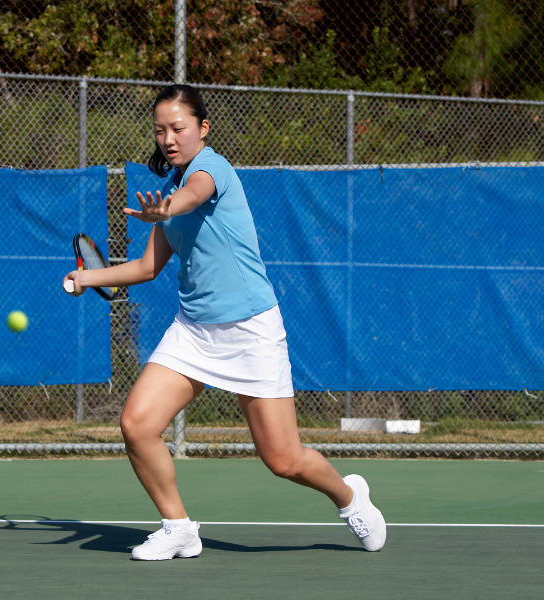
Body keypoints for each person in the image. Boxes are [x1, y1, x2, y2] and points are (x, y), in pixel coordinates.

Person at [63, 83, 386, 561]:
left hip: (250, 329)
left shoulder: (210, 169)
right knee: (136, 424)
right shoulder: (167, 192)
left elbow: (194, 196)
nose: (169, 139)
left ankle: (349, 496)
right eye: (160, 131)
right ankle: (178, 528)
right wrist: (92, 277)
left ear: (202, 128)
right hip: (193, 330)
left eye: (178, 128)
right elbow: (148, 268)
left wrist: (167, 207)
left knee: (282, 459)